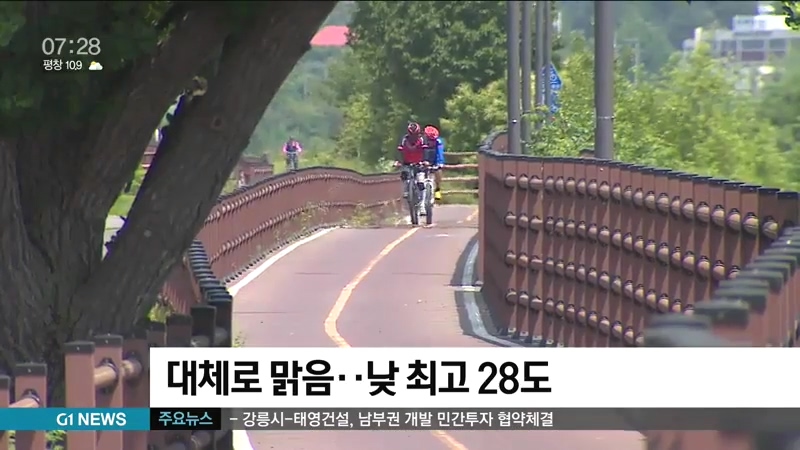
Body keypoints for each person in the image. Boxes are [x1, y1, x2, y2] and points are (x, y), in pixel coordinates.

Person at [395, 122, 428, 198]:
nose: (413, 137)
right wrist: (398, 161)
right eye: (411, 135)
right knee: (404, 175)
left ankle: (422, 201)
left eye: (415, 135)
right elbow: (399, 150)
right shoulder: (404, 139)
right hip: (407, 162)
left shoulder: (422, 139)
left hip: (419, 163)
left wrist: (425, 160)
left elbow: (426, 151)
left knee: (420, 182)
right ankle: (406, 190)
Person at [423, 125, 446, 201]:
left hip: (434, 161)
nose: (431, 142)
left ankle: (437, 189)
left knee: (438, 172)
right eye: (430, 139)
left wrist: (440, 163)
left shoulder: (438, 142)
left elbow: (440, 153)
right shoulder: (421, 141)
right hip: (423, 160)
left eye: (433, 140)